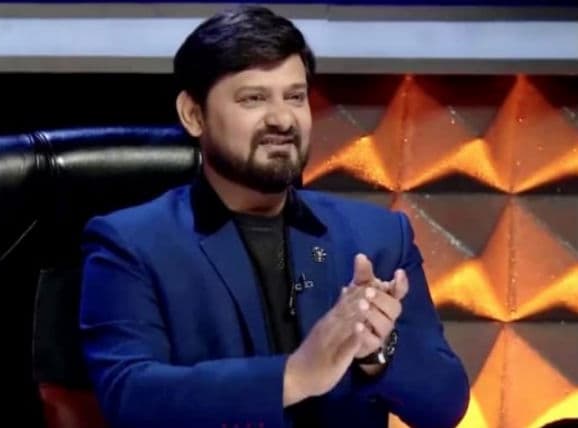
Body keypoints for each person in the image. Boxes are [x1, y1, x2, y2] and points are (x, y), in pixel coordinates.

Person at [79, 5, 470, 428]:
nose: (282, 119)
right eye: (254, 98)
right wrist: (295, 375)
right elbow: (130, 397)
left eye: (295, 97)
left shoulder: (376, 236)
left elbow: (444, 406)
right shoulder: (131, 244)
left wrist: (376, 351)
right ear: (194, 114)